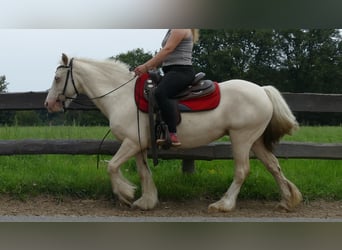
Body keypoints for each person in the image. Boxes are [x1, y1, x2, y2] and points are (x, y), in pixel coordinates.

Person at [134, 29, 199, 146]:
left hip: (181, 71)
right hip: (170, 71)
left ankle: (172, 133)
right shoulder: (172, 29)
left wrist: (146, 66)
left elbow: (168, 49)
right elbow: (165, 54)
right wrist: (153, 65)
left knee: (161, 93)